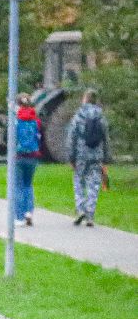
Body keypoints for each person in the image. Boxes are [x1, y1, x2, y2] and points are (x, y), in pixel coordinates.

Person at [64, 88, 112, 227]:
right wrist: (106, 158)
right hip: (96, 155)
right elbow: (105, 139)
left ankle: (80, 209)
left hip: (80, 154)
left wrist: (71, 157)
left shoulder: (78, 116)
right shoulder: (101, 117)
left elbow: (71, 137)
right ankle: (90, 214)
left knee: (79, 181)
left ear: (84, 99)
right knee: (94, 183)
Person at [12, 92, 44, 227]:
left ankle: (19, 216)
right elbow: (39, 137)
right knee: (28, 184)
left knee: (18, 186)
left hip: (19, 156)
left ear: (18, 105)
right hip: (33, 156)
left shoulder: (15, 120)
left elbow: (11, 138)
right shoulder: (36, 120)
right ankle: (29, 212)